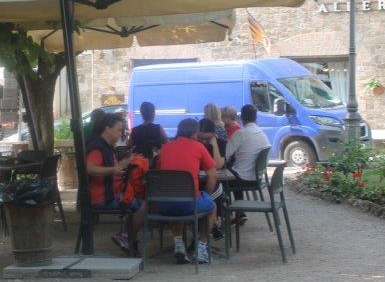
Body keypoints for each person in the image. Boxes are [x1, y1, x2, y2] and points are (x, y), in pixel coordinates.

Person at [157, 118, 223, 264]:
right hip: (189, 203)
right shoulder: (199, 147)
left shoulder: (165, 148)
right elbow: (212, 175)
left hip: (163, 203)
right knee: (212, 207)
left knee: (178, 199)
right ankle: (201, 247)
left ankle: (179, 245)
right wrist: (206, 195)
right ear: (194, 133)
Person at [86, 113, 145, 256]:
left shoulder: (106, 146)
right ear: (107, 128)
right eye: (118, 130)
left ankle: (128, 238)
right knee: (143, 205)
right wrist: (112, 170)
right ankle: (127, 238)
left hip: (111, 194)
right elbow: (90, 168)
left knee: (138, 200)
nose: (121, 134)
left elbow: (113, 167)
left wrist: (127, 161)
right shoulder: (97, 147)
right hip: (102, 198)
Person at [225, 104, 270, 225]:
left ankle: (223, 218)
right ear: (256, 118)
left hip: (242, 179)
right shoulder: (262, 133)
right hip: (257, 178)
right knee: (234, 171)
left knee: (220, 181)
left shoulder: (241, 133)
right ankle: (239, 213)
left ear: (242, 118)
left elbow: (225, 155)